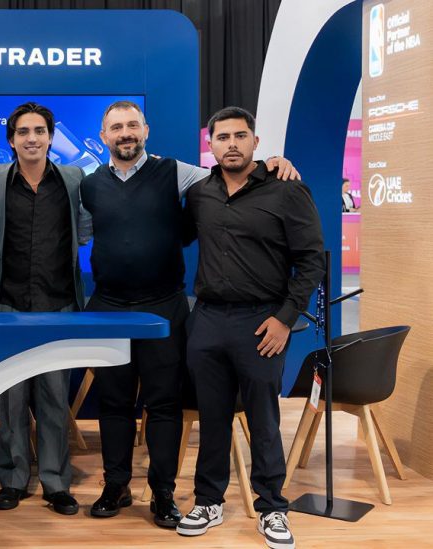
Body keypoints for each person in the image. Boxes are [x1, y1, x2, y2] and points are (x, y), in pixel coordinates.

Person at [80, 101, 300, 527]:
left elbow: (233, 174)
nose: (125, 133)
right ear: (104, 136)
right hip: (108, 307)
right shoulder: (89, 185)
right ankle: (116, 485)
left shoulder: (178, 173)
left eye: (132, 125)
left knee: (163, 403)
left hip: (163, 305)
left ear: (145, 130)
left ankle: (163, 493)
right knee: (113, 402)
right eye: (116, 127)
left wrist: (273, 162)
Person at [177, 107, 324, 549]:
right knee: (212, 417)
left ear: (256, 142)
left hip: (262, 322)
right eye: (222, 137)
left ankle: (272, 507)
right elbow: (176, 235)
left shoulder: (286, 189)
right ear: (211, 145)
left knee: (263, 419)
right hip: (207, 320)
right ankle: (208, 501)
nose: (232, 144)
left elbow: (312, 260)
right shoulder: (200, 193)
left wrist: (285, 319)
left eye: (240, 136)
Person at [0, 102, 91, 516]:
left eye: (39, 131)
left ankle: (56, 484)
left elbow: (86, 228)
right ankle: (12, 480)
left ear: (51, 136)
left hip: (58, 304)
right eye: (23, 132)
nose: (32, 138)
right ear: (11, 140)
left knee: (55, 400)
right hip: (7, 304)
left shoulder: (74, 179)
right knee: (11, 400)